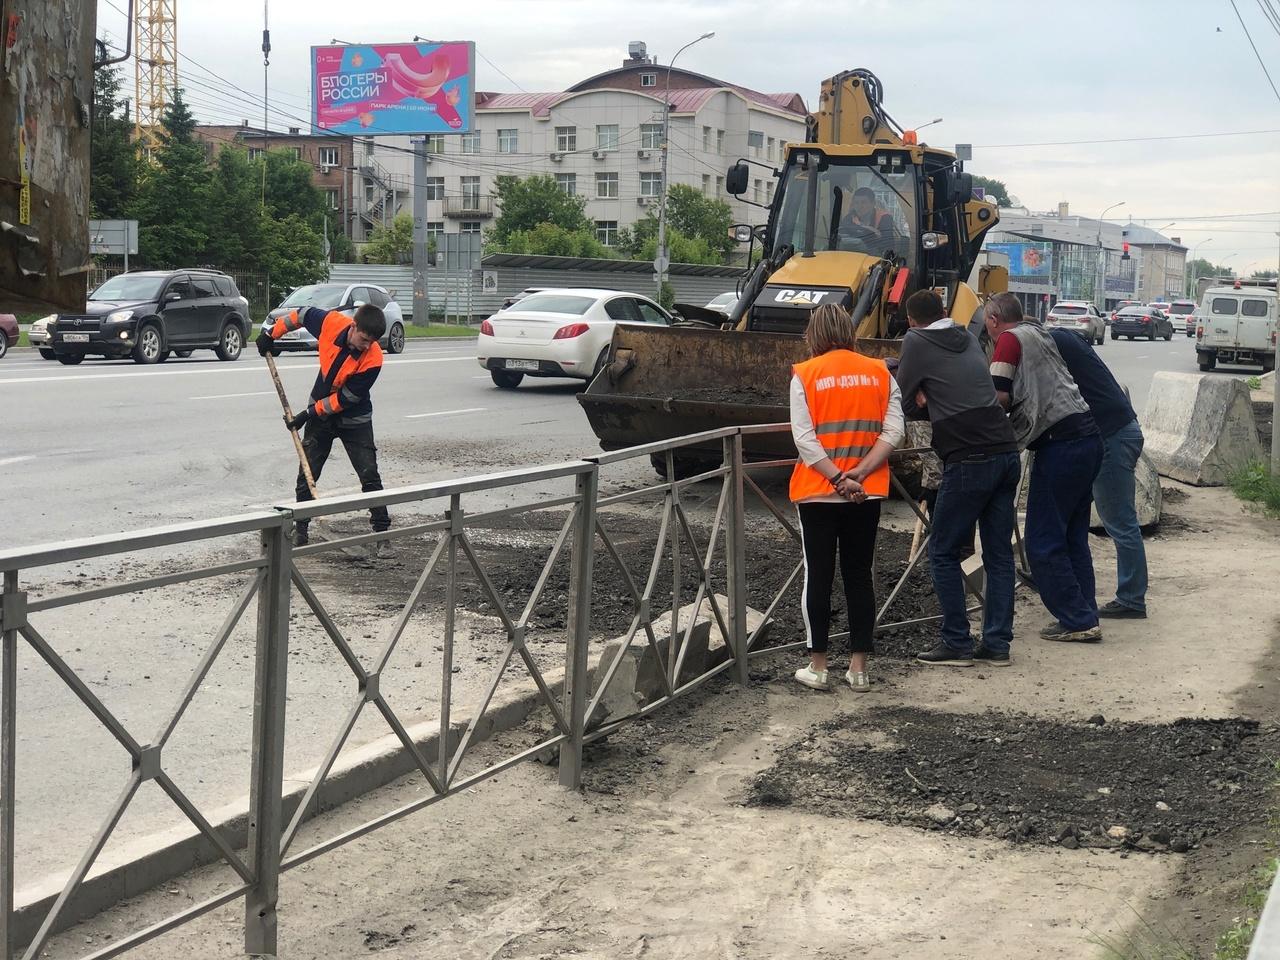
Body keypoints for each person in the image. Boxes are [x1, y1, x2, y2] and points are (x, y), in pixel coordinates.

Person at [894, 290, 1021, 667]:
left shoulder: (915, 340)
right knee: (998, 554)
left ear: (912, 321)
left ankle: (956, 643)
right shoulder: (966, 335)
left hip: (969, 456)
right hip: (1004, 449)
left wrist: (921, 395)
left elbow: (904, 401)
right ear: (945, 312)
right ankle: (997, 645)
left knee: (942, 550)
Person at [790, 303, 904, 692]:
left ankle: (818, 666)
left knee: (818, 576)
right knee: (859, 575)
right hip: (866, 492)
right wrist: (861, 473)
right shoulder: (880, 372)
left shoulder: (805, 375)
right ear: (850, 331)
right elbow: (894, 432)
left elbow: (805, 440)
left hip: (819, 492)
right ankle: (858, 669)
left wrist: (838, 478)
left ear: (814, 334)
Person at [985, 293, 1104, 643]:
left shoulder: (1008, 340)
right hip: (1087, 439)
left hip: (1060, 444)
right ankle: (1085, 614)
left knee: (1042, 541)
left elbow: (999, 396)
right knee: (1072, 537)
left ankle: (1078, 618)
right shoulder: (1038, 332)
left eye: (985, 324)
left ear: (993, 320)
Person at [256, 303, 392, 555]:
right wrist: (271, 334)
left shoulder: (373, 358)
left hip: (354, 419)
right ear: (354, 327)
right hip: (320, 408)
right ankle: (301, 531)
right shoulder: (330, 322)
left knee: (369, 474)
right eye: (363, 339)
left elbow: (345, 399)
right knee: (307, 471)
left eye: (371, 342)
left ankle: (383, 534)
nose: (365, 346)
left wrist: (308, 414)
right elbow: (301, 315)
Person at [1048, 328, 1149, 619]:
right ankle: (1061, 576)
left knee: (1119, 521)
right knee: (1075, 513)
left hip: (1112, 437)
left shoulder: (1053, 344)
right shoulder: (1066, 340)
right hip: (1114, 433)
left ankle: (1131, 599)